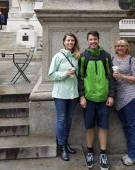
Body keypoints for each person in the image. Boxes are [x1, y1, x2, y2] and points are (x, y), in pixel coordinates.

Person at [78, 31, 115, 170]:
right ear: (87, 41)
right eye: (90, 39)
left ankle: (103, 154)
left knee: (103, 127)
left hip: (104, 99)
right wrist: (81, 96)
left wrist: (111, 95)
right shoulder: (83, 56)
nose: (93, 41)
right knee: (89, 127)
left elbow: (111, 77)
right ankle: (89, 152)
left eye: (95, 39)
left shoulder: (106, 56)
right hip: (88, 99)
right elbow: (80, 78)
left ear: (99, 40)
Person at [48, 33, 80, 162]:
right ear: (64, 42)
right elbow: (51, 74)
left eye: (72, 40)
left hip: (73, 94)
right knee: (61, 119)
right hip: (60, 94)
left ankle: (66, 143)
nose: (70, 42)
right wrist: (65, 73)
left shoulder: (77, 57)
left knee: (69, 119)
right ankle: (61, 146)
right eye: (68, 40)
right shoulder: (58, 56)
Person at [112, 39, 135, 166]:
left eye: (122, 45)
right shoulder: (112, 59)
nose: (120, 47)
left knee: (132, 125)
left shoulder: (131, 60)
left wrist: (122, 76)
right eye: (118, 45)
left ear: (127, 47)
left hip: (131, 96)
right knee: (126, 126)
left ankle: (134, 155)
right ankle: (131, 153)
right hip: (119, 98)